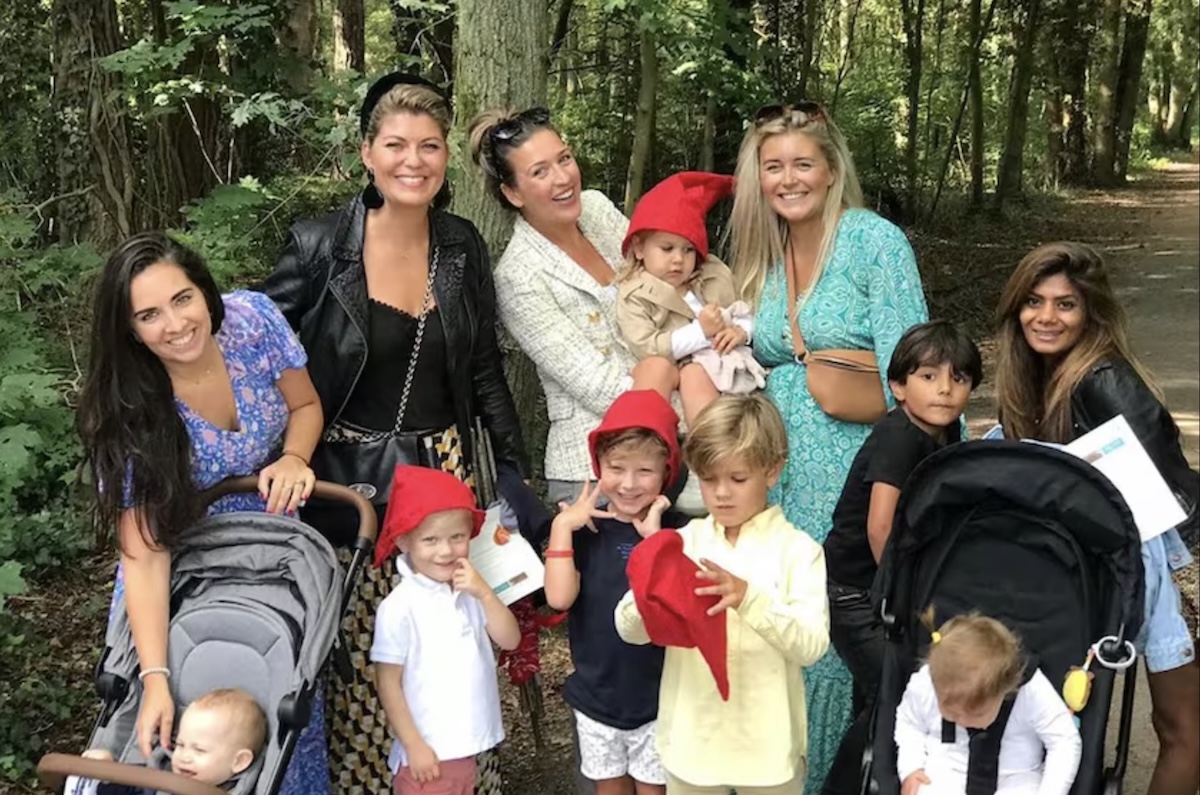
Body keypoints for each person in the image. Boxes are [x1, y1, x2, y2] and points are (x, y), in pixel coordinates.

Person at [264, 74, 527, 795]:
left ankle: (460, 780)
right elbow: (261, 348)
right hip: (348, 483)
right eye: (396, 145)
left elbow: (483, 368)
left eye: (430, 146)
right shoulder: (320, 246)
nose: (414, 161)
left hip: (442, 480)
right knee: (363, 653)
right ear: (367, 154)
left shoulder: (461, 246)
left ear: (446, 157)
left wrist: (511, 472)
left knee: (452, 643)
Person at [76, 233, 327, 794]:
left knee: (282, 717)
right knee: (188, 736)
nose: (175, 324)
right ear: (130, 330)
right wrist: (155, 678)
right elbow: (144, 556)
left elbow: (306, 405)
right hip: (184, 572)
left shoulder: (253, 323)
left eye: (182, 298)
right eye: (149, 315)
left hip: (274, 552)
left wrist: (293, 457)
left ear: (204, 290)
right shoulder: (133, 411)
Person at [728, 100, 929, 791]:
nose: (788, 179)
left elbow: (916, 369)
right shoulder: (765, 253)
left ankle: (845, 777)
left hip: (856, 471)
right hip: (779, 474)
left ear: (833, 168)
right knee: (782, 619)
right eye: (773, 166)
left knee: (840, 631)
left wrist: (915, 481)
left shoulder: (874, 242)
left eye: (802, 164)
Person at [993, 241, 1199, 795]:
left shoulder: (1102, 378)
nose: (1046, 317)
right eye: (1034, 301)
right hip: (1128, 559)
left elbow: (1162, 490)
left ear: (1090, 313)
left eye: (1066, 304)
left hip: (1182, 560)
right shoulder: (1032, 380)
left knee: (1182, 728)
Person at [615, 394, 830, 794]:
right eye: (709, 479)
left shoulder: (798, 551)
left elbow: (811, 646)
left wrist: (750, 598)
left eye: (738, 478)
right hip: (691, 744)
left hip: (768, 750)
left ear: (772, 470)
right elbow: (631, 631)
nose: (722, 493)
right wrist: (648, 591)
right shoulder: (683, 542)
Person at [468, 107, 683, 508]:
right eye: (540, 172)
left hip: (671, 445)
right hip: (598, 470)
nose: (563, 177)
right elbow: (600, 388)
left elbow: (661, 285)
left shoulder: (596, 209)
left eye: (564, 159)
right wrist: (679, 389)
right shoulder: (519, 276)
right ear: (513, 193)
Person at [822, 320, 982, 790]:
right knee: (896, 693)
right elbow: (880, 526)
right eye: (928, 377)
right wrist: (901, 593)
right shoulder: (900, 436)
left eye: (958, 378)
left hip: (882, 587)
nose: (945, 390)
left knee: (878, 693)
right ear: (898, 386)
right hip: (854, 592)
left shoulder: (946, 431)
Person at [544, 390, 691, 795]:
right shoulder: (585, 532)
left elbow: (679, 611)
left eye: (644, 471)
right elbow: (559, 598)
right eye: (616, 468)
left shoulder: (679, 533)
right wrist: (562, 528)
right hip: (598, 700)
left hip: (660, 701)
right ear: (598, 466)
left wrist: (655, 542)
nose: (628, 484)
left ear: (666, 471)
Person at [370, 465, 520, 795]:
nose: (446, 550)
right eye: (430, 540)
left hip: (461, 751)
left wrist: (485, 593)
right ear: (404, 541)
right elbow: (388, 682)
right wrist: (414, 744)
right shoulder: (399, 607)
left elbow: (511, 639)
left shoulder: (469, 590)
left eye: (457, 537)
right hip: (428, 757)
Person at [616, 172, 765, 426]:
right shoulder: (636, 294)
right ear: (639, 248)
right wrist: (701, 332)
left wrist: (742, 331)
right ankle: (709, 443)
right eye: (667, 249)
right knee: (694, 376)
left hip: (738, 361)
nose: (678, 259)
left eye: (688, 250)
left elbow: (746, 310)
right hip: (691, 368)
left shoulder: (713, 276)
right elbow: (646, 346)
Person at [894, 613, 1082, 795]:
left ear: (1004, 689)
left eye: (976, 715)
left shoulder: (1031, 690)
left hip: (1016, 775)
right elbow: (910, 724)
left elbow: (1063, 740)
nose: (962, 722)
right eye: (952, 715)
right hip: (948, 769)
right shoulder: (927, 683)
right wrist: (911, 766)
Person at [69, 688, 269, 795]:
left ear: (239, 762)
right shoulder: (159, 775)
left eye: (199, 750)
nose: (184, 757)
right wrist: (106, 773)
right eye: (180, 745)